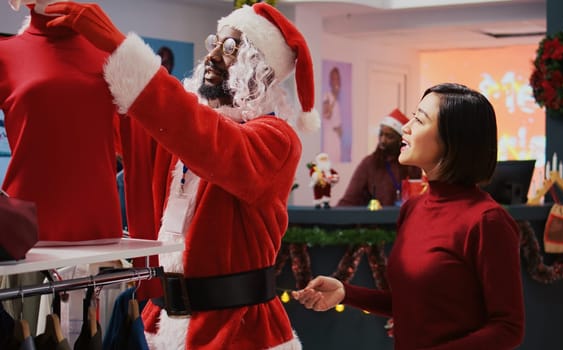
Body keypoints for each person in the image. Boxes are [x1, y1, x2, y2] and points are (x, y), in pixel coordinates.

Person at [46, 2, 319, 349]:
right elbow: (120, 124)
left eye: (232, 48)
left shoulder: (276, 140)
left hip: (236, 331)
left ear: (261, 69)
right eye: (215, 44)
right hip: (159, 322)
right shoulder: (185, 133)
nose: (214, 57)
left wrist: (120, 47)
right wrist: (74, 49)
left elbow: (204, 137)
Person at [293, 83, 525, 349]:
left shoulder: (487, 221)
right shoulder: (413, 208)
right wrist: (346, 293)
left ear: (453, 139)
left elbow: (508, 327)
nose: (406, 127)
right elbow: (412, 304)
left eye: (420, 119)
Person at [0, 0, 127, 245]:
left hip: (99, 225)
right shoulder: (5, 55)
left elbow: (138, 139)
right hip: (25, 230)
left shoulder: (111, 53)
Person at [337, 108, 421, 207]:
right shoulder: (369, 163)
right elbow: (349, 200)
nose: (383, 140)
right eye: (381, 134)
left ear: (400, 140)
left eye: (389, 136)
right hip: (376, 221)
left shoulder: (411, 164)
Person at [322, 66, 342, 162]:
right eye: (333, 78)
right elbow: (327, 114)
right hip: (329, 137)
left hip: (336, 138)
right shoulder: (327, 96)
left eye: (337, 78)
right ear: (330, 81)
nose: (336, 81)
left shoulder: (337, 100)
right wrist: (335, 97)